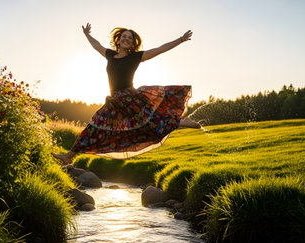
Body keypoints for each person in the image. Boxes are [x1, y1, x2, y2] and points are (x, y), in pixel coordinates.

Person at [52, 23, 201, 165]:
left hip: (131, 100)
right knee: (94, 126)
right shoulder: (110, 55)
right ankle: (69, 156)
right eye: (124, 36)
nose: (126, 39)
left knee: (151, 128)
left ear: (133, 43)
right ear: (118, 39)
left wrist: (181, 39)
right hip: (113, 102)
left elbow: (160, 49)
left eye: (130, 38)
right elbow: (96, 45)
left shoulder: (136, 57)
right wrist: (87, 34)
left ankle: (182, 122)